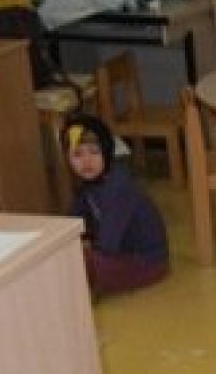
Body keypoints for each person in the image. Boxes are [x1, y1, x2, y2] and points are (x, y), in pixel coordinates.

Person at [63, 112, 169, 296]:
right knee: (63, 258)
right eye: (77, 154)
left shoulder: (120, 187)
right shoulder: (88, 184)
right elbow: (72, 222)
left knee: (84, 265)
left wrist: (80, 252)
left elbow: (107, 244)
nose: (86, 161)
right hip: (119, 253)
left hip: (146, 262)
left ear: (106, 152)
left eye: (94, 152)